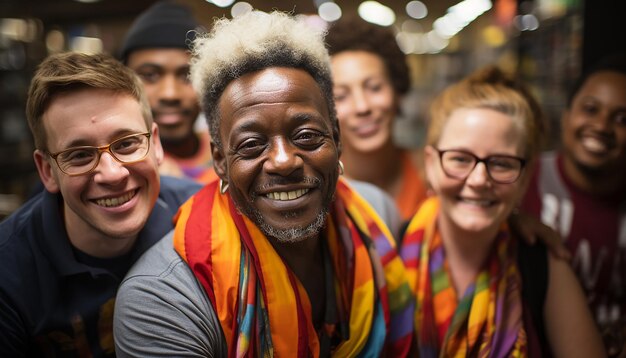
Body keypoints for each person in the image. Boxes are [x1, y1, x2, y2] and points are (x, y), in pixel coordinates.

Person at [114, 11, 414, 357]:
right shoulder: (163, 298)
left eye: (306, 136)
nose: (284, 161)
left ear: (336, 138)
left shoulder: (377, 216)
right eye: (252, 145)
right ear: (220, 161)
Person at [0, 52, 201, 357]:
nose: (113, 174)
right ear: (46, 171)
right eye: (80, 154)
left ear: (155, 145)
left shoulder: (202, 215)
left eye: (126, 144)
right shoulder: (7, 274)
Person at [400, 67, 605, 357]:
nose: (479, 179)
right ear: (431, 164)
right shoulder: (387, 254)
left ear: (526, 176)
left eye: (502, 163)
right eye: (460, 158)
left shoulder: (543, 264)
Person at [521, 53, 626, 356]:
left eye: (622, 119)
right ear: (566, 116)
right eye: (590, 109)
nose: (602, 126)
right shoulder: (522, 179)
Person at [325, 16, 428, 220]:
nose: (362, 107)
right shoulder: (322, 198)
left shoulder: (433, 175)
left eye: (374, 87)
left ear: (397, 90)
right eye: (341, 96)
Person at [119, 0, 215, 183]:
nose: (170, 94)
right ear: (124, 80)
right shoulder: (115, 170)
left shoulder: (230, 154)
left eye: (188, 75)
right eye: (150, 75)